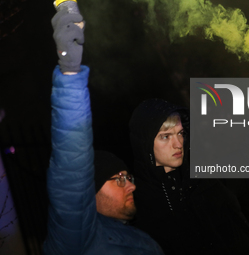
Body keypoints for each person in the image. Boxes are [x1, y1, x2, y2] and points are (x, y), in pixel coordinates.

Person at [129, 66, 249, 254]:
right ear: (145, 144)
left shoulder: (203, 177)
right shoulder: (138, 206)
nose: (178, 143)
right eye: (165, 136)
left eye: (180, 133)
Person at [43, 6, 163, 255]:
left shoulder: (141, 237)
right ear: (90, 191)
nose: (130, 186)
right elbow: (72, 167)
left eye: (128, 178)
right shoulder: (77, 239)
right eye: (119, 179)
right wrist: (70, 73)